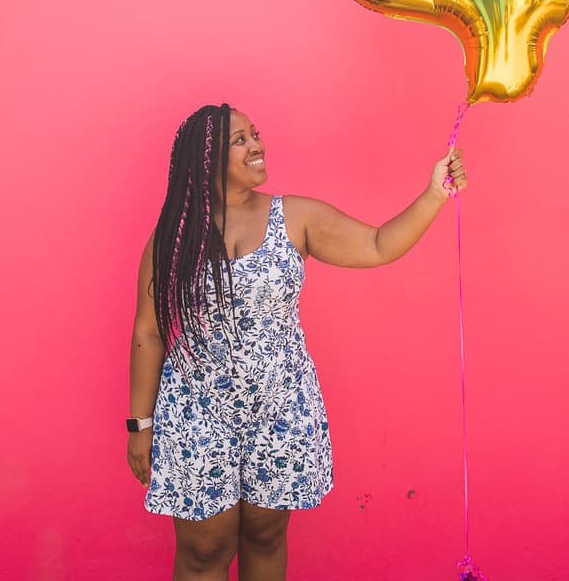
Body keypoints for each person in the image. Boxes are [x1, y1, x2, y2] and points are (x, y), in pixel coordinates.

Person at [127, 103, 467, 581]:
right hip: (196, 411)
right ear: (205, 161)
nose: (257, 145)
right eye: (239, 140)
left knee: (266, 537)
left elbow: (377, 245)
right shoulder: (174, 238)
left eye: (256, 134)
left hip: (280, 407)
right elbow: (148, 330)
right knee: (205, 551)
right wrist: (139, 424)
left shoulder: (296, 217)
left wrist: (435, 192)